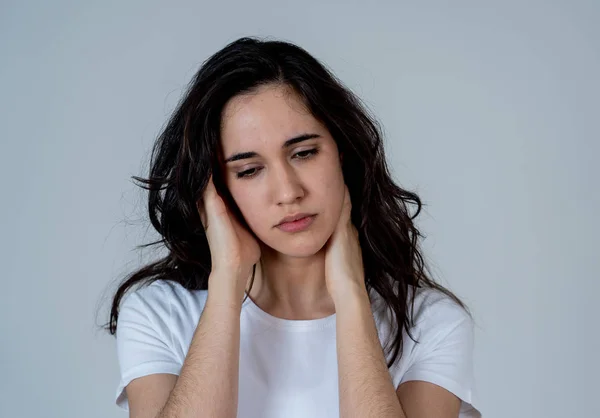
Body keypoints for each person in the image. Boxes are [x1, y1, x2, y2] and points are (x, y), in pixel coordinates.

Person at [105, 36, 482, 418]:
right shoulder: (161, 316)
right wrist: (227, 282)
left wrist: (351, 297)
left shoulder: (431, 323)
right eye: (249, 170)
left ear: (342, 151)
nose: (288, 192)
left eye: (303, 153)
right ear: (215, 189)